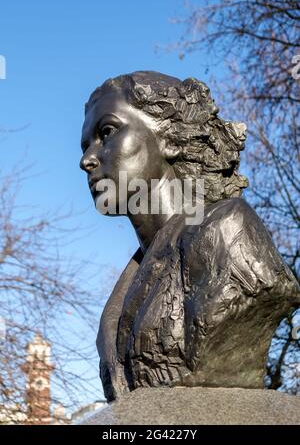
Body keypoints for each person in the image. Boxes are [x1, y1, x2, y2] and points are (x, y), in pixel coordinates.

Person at [80, 71, 300, 402]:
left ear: (168, 139)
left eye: (107, 132)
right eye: (86, 146)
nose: (87, 160)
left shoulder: (226, 229)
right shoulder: (125, 288)